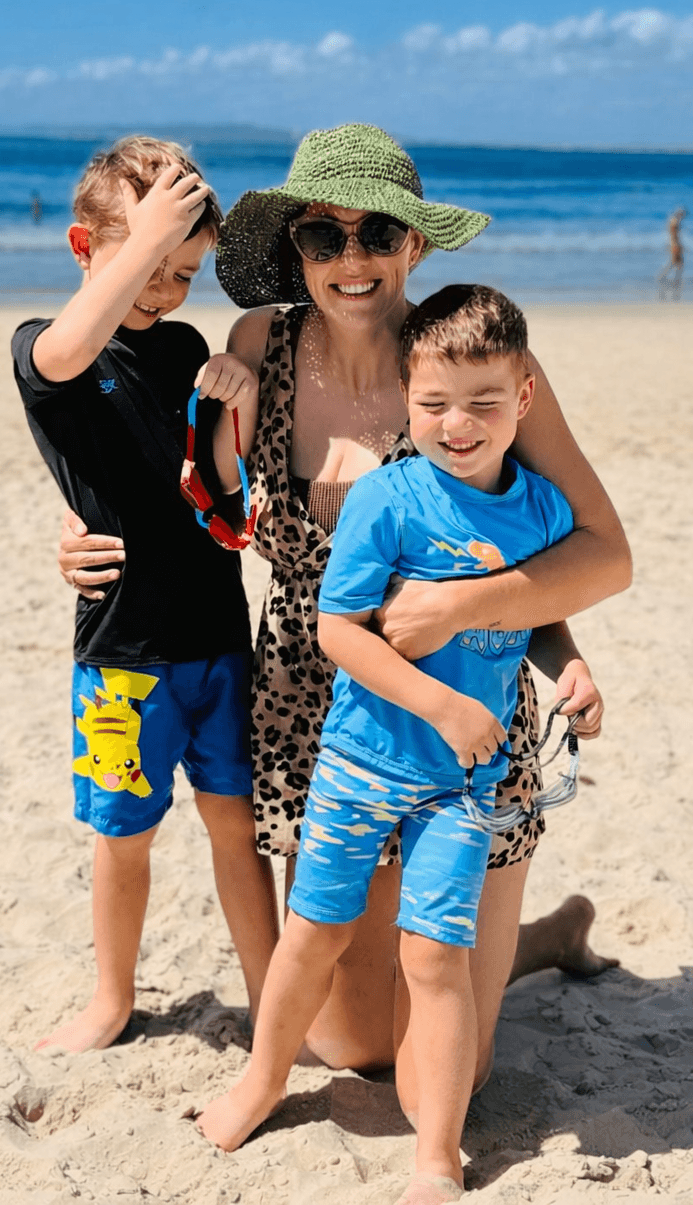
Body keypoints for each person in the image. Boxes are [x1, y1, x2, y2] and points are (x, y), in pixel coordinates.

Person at [57, 125, 629, 1084]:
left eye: (377, 235)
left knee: (454, 1065)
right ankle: (537, 937)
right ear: (296, 253)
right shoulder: (255, 347)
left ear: (416, 243)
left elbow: (599, 551)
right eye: (324, 239)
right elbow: (168, 476)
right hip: (311, 713)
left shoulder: (472, 366)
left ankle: (515, 943)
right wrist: (78, 532)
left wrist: (477, 613)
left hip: (457, 715)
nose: (351, 260)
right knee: (352, 1046)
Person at [196, 285, 605, 1204]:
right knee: (315, 937)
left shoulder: (539, 510)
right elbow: (342, 631)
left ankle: (436, 1154)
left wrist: (570, 665)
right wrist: (445, 705)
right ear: (404, 402)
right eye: (433, 406)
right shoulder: (386, 497)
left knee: (436, 955)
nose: (458, 425)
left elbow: (545, 611)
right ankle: (261, 1081)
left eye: (484, 405)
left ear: (524, 399)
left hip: (464, 788)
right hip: (355, 765)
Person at [11, 136, 279, 1054]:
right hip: (122, 655)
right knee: (124, 837)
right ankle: (111, 997)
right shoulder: (50, 351)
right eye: (146, 265)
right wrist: (130, 259)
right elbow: (68, 349)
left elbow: (214, 483)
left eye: (183, 272)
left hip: (217, 638)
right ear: (89, 250)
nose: (163, 291)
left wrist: (233, 398)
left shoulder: (184, 347)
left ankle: (268, 996)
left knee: (235, 829)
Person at [658, 207, 685, 300]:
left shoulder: (673, 221)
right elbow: (674, 236)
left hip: (675, 245)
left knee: (677, 265)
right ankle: (664, 279)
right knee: (675, 265)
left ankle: (674, 284)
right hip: (675, 246)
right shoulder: (674, 222)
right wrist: (675, 246)